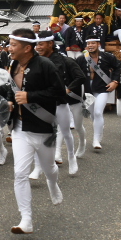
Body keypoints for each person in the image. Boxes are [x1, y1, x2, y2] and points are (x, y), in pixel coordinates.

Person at [7, 29, 65, 234]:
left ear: (26, 48)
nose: (9, 48)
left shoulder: (46, 65)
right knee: (19, 173)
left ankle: (53, 183)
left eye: (13, 45)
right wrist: (10, 101)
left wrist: (30, 96)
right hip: (20, 129)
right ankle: (26, 219)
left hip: (43, 128)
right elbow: (11, 89)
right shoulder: (13, 64)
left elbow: (59, 93)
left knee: (49, 169)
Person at [35, 31, 85, 174]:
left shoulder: (65, 61)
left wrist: (68, 89)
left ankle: (71, 157)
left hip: (60, 103)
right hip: (43, 104)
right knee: (39, 135)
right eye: (37, 44)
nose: (38, 47)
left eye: (41, 44)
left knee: (65, 132)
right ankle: (38, 167)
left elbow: (80, 77)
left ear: (50, 44)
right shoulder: (35, 61)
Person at [76, 36, 119, 149]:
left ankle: (96, 140)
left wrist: (115, 81)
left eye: (93, 43)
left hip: (102, 89)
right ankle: (99, 128)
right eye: (89, 43)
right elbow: (74, 72)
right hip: (88, 91)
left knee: (98, 112)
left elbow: (118, 67)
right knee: (92, 114)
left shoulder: (108, 57)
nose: (90, 45)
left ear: (98, 44)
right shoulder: (81, 59)